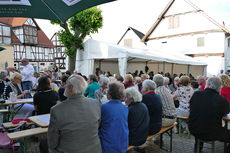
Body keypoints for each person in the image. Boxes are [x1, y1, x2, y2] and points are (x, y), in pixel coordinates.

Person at [47, 75, 101, 153]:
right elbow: (97, 126)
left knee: (45, 145)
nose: (65, 87)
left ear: (71, 87)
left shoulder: (56, 109)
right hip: (94, 149)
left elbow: (52, 142)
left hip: (69, 150)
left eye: (66, 86)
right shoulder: (95, 103)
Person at [188, 77, 230, 152]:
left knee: (201, 122)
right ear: (220, 87)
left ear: (207, 84)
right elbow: (226, 113)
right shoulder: (222, 100)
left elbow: (191, 107)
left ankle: (197, 149)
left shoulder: (196, 94)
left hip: (193, 128)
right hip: (212, 132)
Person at [99, 81, 128, 153]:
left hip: (108, 145)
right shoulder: (125, 107)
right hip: (122, 143)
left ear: (109, 94)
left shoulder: (103, 107)